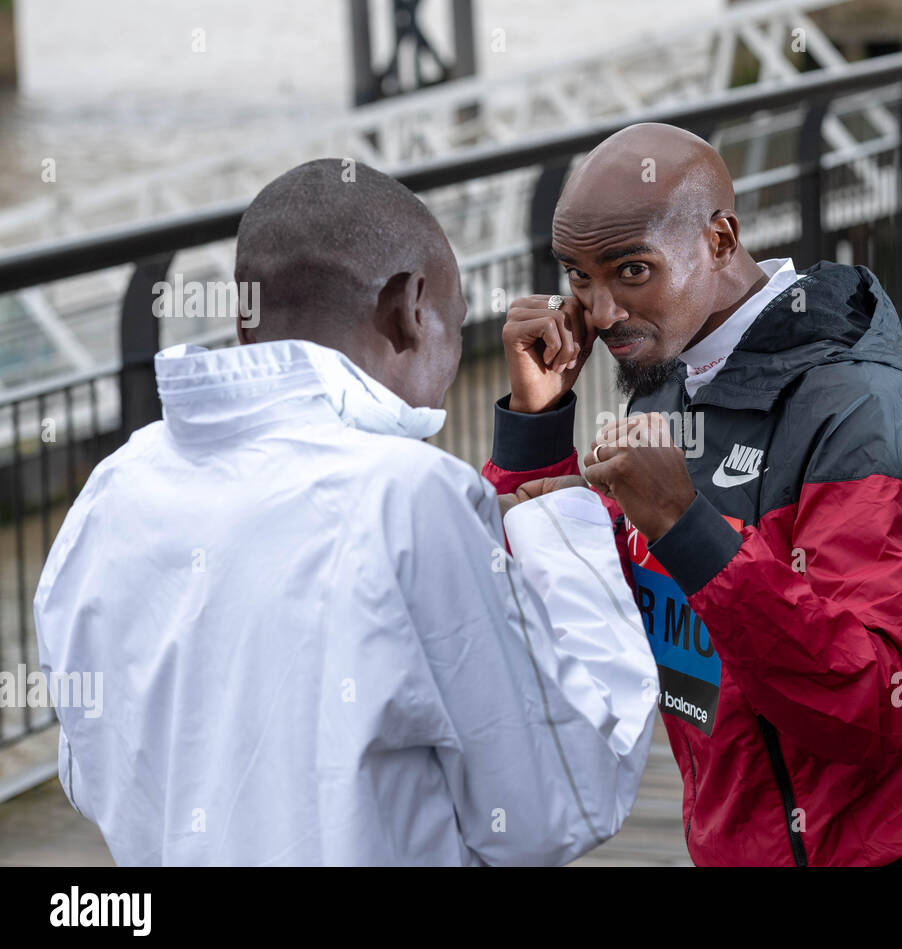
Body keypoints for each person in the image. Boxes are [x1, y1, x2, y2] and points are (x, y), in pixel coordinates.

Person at [33, 159, 657, 866]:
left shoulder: (113, 491)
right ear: (409, 307)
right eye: (451, 327)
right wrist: (562, 531)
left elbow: (92, 773)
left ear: (244, 321)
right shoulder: (408, 498)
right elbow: (565, 800)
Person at [484, 123, 902, 866]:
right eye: (579, 276)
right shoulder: (668, 389)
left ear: (720, 240)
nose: (598, 313)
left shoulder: (869, 411)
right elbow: (575, 611)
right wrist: (536, 425)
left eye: (629, 271)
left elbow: (879, 707)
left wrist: (687, 528)